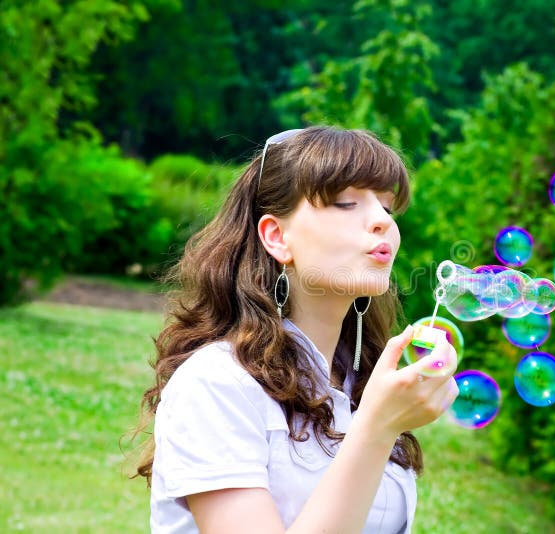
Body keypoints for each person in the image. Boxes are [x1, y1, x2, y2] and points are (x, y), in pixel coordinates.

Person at [132, 125, 460, 533]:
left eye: (387, 207)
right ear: (277, 236)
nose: (381, 221)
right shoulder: (217, 384)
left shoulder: (359, 384)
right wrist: (377, 429)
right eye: (345, 202)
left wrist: (378, 418)